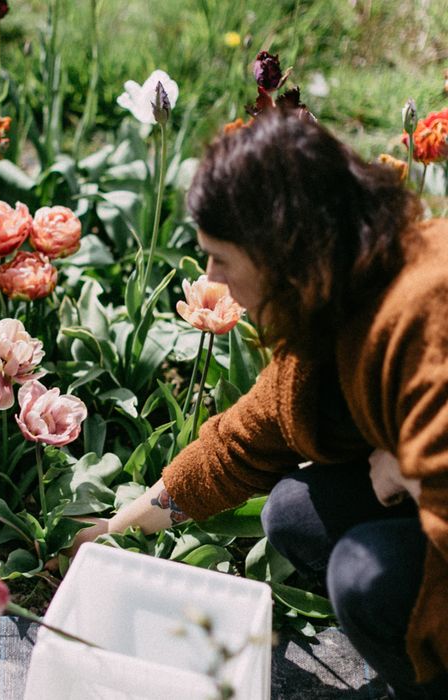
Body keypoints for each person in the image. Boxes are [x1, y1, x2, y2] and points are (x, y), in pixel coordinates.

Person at [73, 108, 448, 699]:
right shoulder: (337, 299)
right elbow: (242, 441)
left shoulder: (423, 315)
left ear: (283, 252)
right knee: (292, 513)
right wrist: (112, 530)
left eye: (221, 257)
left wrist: (410, 471)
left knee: (363, 575)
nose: (212, 278)